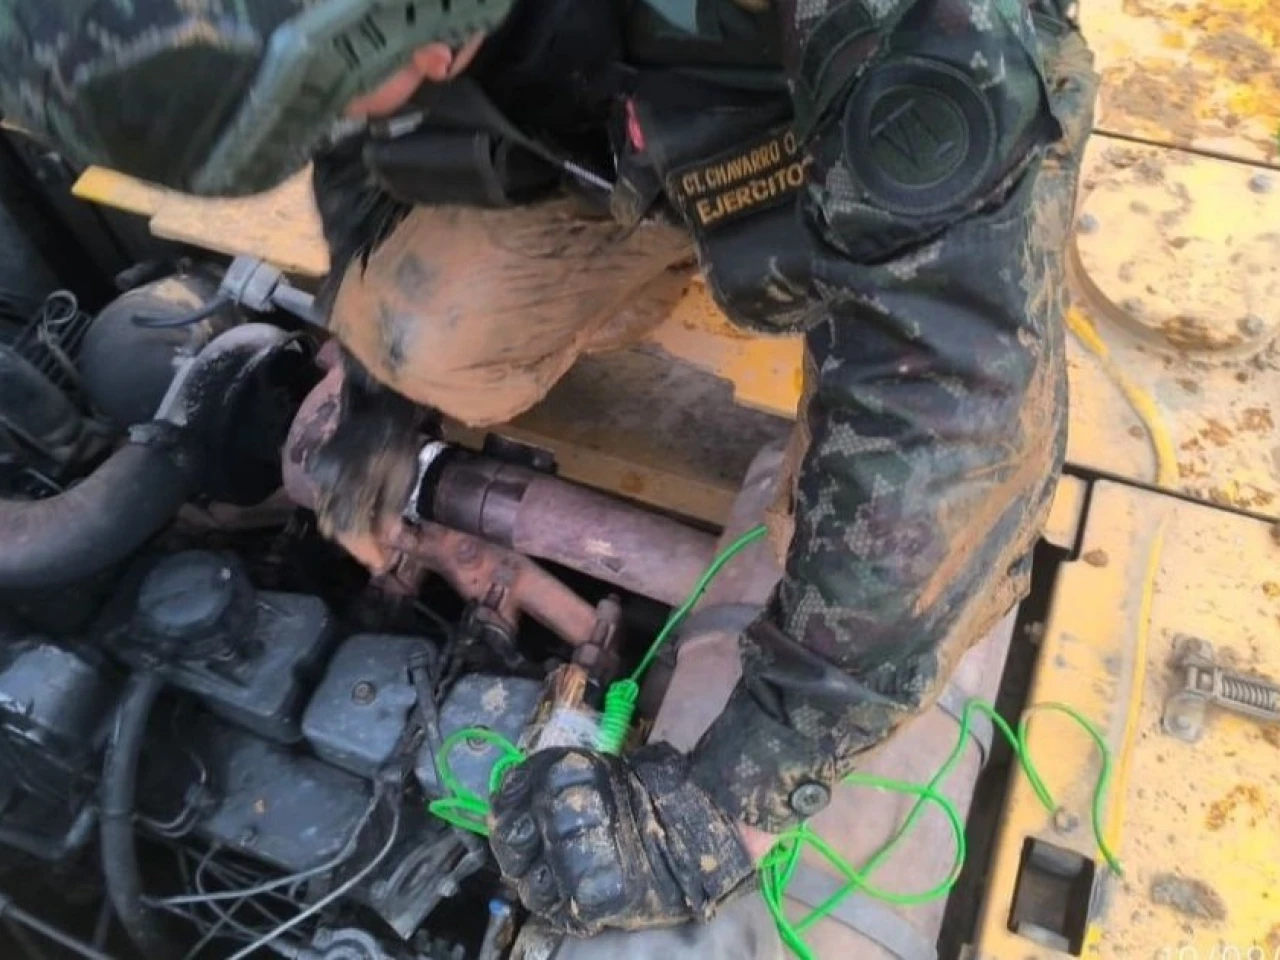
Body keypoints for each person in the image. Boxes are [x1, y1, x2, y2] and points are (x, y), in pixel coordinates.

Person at [0, 0, 1097, 944]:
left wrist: (737, 794)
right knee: (419, 335)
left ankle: (801, 250)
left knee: (855, 505)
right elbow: (352, 130)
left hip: (845, 141)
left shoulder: (927, 33)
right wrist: (373, 380)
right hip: (614, 120)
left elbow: (957, 410)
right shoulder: (350, 35)